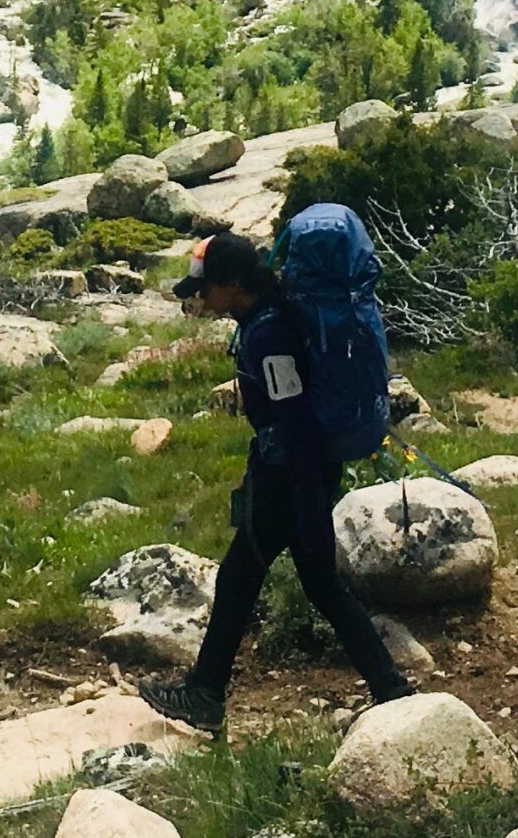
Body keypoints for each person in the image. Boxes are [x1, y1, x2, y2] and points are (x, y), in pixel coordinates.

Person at [140, 231, 413, 733]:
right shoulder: (268, 316)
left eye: (207, 288)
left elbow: (294, 422)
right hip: (298, 470)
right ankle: (390, 689)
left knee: (240, 577)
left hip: (289, 475)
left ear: (233, 285)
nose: (201, 297)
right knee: (320, 586)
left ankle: (205, 694)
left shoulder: (268, 335)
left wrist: (306, 503)